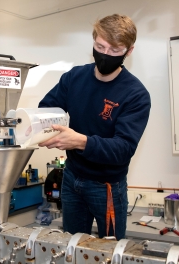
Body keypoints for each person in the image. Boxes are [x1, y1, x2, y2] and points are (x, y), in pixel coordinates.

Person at [38, 14, 151, 240]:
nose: (105, 55)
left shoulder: (136, 94)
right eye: (100, 46)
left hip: (107, 187)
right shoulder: (74, 78)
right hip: (71, 178)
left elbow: (123, 148)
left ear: (129, 51)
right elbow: (46, 109)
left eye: (115, 50)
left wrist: (80, 141)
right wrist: (49, 131)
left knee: (109, 251)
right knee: (72, 247)